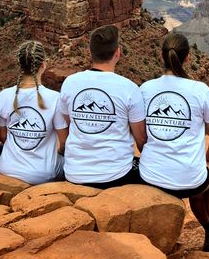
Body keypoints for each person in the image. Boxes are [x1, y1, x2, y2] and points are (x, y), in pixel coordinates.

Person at [138, 32, 209, 256]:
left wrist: (149, 153)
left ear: (161, 57)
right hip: (188, 178)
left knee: (198, 190)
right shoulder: (199, 90)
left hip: (150, 176)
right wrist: (208, 159)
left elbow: (139, 134)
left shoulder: (145, 89)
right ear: (188, 58)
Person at [58, 24, 145, 188]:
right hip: (116, 175)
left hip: (75, 173)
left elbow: (69, 121)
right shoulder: (129, 88)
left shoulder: (70, 83)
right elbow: (140, 138)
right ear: (117, 53)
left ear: (90, 52)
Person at [0, 40, 68, 185]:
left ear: (20, 64)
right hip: (44, 174)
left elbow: (2, 136)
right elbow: (64, 142)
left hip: (7, 168)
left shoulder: (4, 95)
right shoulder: (55, 98)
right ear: (43, 64)